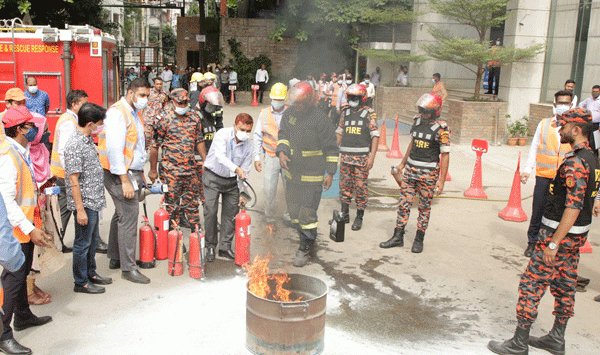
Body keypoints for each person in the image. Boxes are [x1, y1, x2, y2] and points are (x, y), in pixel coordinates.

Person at [488, 108, 598, 355]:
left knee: (531, 284)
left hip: (557, 236)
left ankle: (519, 342)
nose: (559, 129)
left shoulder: (575, 163)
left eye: (564, 125)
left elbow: (573, 205)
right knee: (564, 284)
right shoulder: (591, 158)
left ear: (577, 130)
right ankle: (556, 339)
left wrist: (553, 243)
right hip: (575, 238)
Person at [0, 106, 54, 355]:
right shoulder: (8, 157)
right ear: (20, 129)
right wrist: (29, 229)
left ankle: (22, 315)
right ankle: (3, 333)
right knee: (11, 281)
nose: (35, 130)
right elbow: (7, 201)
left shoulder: (20, 151)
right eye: (30, 126)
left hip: (25, 227)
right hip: (15, 231)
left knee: (21, 276)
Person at [276, 82, 338, 267]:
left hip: (312, 176)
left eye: (300, 103)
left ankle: (305, 248)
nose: (297, 106)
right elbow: (283, 134)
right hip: (292, 175)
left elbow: (331, 148)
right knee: (294, 213)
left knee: (307, 214)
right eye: (295, 102)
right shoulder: (289, 114)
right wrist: (281, 152)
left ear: (310, 101)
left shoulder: (321, 120)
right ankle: (306, 237)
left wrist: (330, 173)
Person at [380, 93, 449, 253]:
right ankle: (398, 237)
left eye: (426, 112)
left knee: (424, 208)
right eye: (421, 110)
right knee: (404, 203)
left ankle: (419, 239)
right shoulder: (417, 122)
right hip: (410, 171)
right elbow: (413, 143)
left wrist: (442, 181)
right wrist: (402, 164)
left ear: (436, 111)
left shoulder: (442, 129)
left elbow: (445, 155)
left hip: (429, 174)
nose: (423, 114)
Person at [98, 78, 151, 284]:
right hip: (119, 173)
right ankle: (128, 268)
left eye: (147, 95)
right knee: (129, 216)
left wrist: (140, 173)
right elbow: (114, 150)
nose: (144, 99)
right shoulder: (117, 113)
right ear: (130, 93)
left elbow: (135, 146)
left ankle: (115, 257)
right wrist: (125, 180)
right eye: (142, 95)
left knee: (121, 215)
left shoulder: (133, 113)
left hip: (131, 171)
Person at [65, 103, 112, 294]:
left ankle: (91, 273)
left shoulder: (86, 139)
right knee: (82, 244)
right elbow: (73, 179)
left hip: (94, 200)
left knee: (91, 242)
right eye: (99, 124)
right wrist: (80, 209)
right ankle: (81, 281)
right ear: (90, 123)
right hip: (85, 203)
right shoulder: (75, 144)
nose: (101, 128)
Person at [521, 90, 574, 257]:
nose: (563, 106)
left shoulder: (573, 129)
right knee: (538, 209)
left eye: (566, 103)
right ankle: (532, 242)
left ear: (571, 105)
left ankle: (552, 243)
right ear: (554, 105)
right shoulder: (544, 124)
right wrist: (527, 169)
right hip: (544, 176)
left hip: (564, 179)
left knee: (558, 211)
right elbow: (534, 146)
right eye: (560, 103)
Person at [149, 89, 207, 228]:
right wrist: (152, 170)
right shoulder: (163, 118)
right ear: (172, 101)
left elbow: (199, 140)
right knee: (172, 205)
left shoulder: (194, 117)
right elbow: (154, 146)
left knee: (192, 203)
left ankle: (196, 236)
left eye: (186, 102)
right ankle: (173, 238)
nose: (183, 105)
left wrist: (205, 160)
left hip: (190, 169)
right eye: (181, 102)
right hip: (171, 171)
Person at [203, 113, 254, 262]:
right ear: (235, 125)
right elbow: (220, 156)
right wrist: (236, 169)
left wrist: (243, 191)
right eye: (242, 129)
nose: (244, 134)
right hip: (213, 177)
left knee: (231, 214)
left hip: (232, 183)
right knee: (210, 212)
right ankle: (210, 246)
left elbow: (245, 169)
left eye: (248, 131)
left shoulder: (248, 145)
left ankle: (224, 247)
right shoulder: (222, 135)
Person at [336, 84, 379, 231]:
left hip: (361, 159)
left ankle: (359, 216)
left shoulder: (369, 114)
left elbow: (375, 137)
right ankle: (344, 213)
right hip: (346, 157)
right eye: (351, 97)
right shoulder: (345, 113)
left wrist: (372, 157)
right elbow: (340, 132)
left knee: (360, 187)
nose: (353, 100)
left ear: (363, 98)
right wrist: (333, 150)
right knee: (344, 186)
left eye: (356, 97)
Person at [253, 83, 289, 230]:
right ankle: (270, 218)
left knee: (291, 187)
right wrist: (256, 157)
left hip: (288, 157)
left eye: (280, 99)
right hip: (271, 156)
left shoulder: (291, 113)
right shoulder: (264, 113)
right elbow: (257, 136)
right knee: (269, 189)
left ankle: (289, 215)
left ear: (285, 99)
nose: (277, 102)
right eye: (275, 99)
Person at [196, 86, 225, 151]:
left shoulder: (218, 107)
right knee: (208, 128)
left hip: (211, 144)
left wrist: (222, 139)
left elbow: (219, 124)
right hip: (198, 144)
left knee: (211, 129)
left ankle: (210, 148)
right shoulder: (197, 111)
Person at [142, 78, 168, 148]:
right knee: (146, 140)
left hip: (158, 121)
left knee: (156, 143)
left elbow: (165, 107)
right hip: (148, 120)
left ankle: (152, 158)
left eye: (160, 84)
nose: (159, 86)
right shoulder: (148, 92)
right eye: (157, 84)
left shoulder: (164, 94)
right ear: (154, 84)